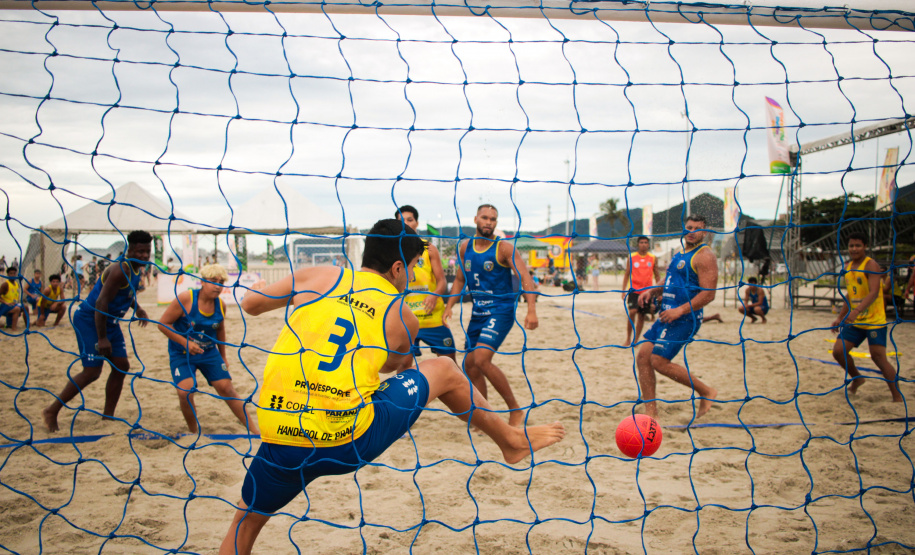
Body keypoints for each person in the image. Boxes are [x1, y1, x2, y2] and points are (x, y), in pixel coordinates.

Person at [219, 219, 564, 555]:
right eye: (414, 267)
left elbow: (250, 304)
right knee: (445, 367)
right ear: (398, 268)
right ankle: (512, 440)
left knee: (245, 522)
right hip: (346, 439)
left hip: (281, 433)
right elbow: (390, 366)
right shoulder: (402, 314)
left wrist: (310, 303)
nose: (414, 276)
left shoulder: (319, 275)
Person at [43, 231, 153, 433]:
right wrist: (102, 338)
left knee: (122, 365)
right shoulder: (121, 269)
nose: (145, 255)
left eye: (147, 251)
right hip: (90, 319)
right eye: (140, 251)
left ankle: (107, 417)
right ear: (130, 250)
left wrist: (137, 308)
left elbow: (125, 293)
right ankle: (52, 410)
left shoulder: (137, 269)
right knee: (92, 371)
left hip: (109, 321)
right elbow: (102, 301)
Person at [443, 204, 539, 427]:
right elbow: (459, 279)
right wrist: (450, 306)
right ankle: (485, 417)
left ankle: (515, 410)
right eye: (485, 218)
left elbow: (525, 277)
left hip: (501, 309)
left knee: (482, 359)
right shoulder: (465, 247)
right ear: (475, 218)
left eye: (493, 219)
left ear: (496, 223)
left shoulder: (504, 248)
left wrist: (532, 310)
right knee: (469, 365)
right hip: (478, 311)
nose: (488, 222)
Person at [157, 264, 259, 435]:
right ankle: (194, 432)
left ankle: (254, 431)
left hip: (209, 352)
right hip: (182, 353)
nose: (218, 285)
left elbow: (220, 329)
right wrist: (185, 343)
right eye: (213, 281)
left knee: (227, 388)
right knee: (185, 391)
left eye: (221, 282)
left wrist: (224, 356)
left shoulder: (220, 304)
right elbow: (162, 324)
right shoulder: (186, 298)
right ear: (202, 282)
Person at [636, 215, 719, 420]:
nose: (691, 231)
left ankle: (706, 391)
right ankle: (651, 411)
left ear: (704, 232)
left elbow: (709, 293)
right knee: (643, 357)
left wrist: (679, 311)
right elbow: (671, 278)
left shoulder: (704, 255)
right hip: (666, 315)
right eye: (688, 227)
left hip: (685, 318)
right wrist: (654, 290)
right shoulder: (682, 252)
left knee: (659, 360)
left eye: (697, 229)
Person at [830, 232, 902, 402]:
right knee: (838, 352)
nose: (854, 249)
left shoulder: (871, 265)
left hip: (874, 320)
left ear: (865, 247)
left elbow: (874, 292)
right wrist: (841, 316)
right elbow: (850, 294)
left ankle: (897, 397)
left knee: (879, 358)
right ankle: (857, 378)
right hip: (855, 321)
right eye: (851, 245)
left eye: (858, 245)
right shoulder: (848, 267)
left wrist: (856, 311)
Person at [395, 205, 456, 362]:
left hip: (432, 317)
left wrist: (434, 296)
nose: (406, 224)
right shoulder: (393, 251)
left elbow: (442, 281)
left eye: (410, 220)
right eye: (401, 221)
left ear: (417, 223)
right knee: (404, 367)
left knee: (450, 362)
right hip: (407, 320)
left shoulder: (428, 249)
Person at [621, 236, 661, 347]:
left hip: (647, 292)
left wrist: (659, 291)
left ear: (648, 245)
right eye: (641, 242)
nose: (643, 244)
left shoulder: (653, 258)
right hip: (634, 290)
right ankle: (628, 338)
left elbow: (657, 275)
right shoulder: (632, 257)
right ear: (638, 244)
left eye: (645, 242)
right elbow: (627, 274)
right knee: (632, 312)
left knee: (642, 316)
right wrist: (623, 290)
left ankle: (635, 340)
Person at [0, 266, 24, 331]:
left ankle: (28, 326)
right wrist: (5, 302)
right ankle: (14, 328)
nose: (13, 275)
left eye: (14, 273)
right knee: (17, 309)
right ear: (8, 274)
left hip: (14, 304)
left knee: (25, 307)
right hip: (6, 306)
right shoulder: (5, 285)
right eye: (11, 273)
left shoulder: (17, 284)